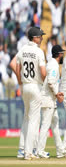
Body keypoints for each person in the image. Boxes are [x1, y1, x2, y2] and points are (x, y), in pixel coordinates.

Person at [16, 27, 47, 160]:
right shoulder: (39, 52)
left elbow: (18, 69)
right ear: (34, 38)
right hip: (35, 86)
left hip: (25, 86)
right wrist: (45, 84)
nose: (41, 39)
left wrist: (21, 84)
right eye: (40, 37)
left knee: (27, 118)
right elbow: (43, 73)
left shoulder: (22, 50)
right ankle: (29, 152)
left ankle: (22, 149)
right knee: (34, 120)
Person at [37, 45, 65, 158]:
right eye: (62, 53)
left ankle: (60, 150)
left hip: (49, 99)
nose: (63, 55)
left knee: (55, 124)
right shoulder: (53, 66)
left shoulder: (51, 64)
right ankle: (39, 150)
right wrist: (57, 94)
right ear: (59, 54)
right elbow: (50, 82)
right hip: (48, 99)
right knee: (45, 125)